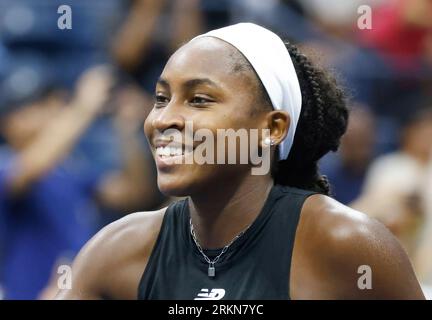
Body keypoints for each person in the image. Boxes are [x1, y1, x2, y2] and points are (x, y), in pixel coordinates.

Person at [56, 23, 424, 300]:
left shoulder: (347, 244)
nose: (163, 119)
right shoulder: (117, 250)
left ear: (273, 127)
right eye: (161, 98)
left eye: (199, 99)